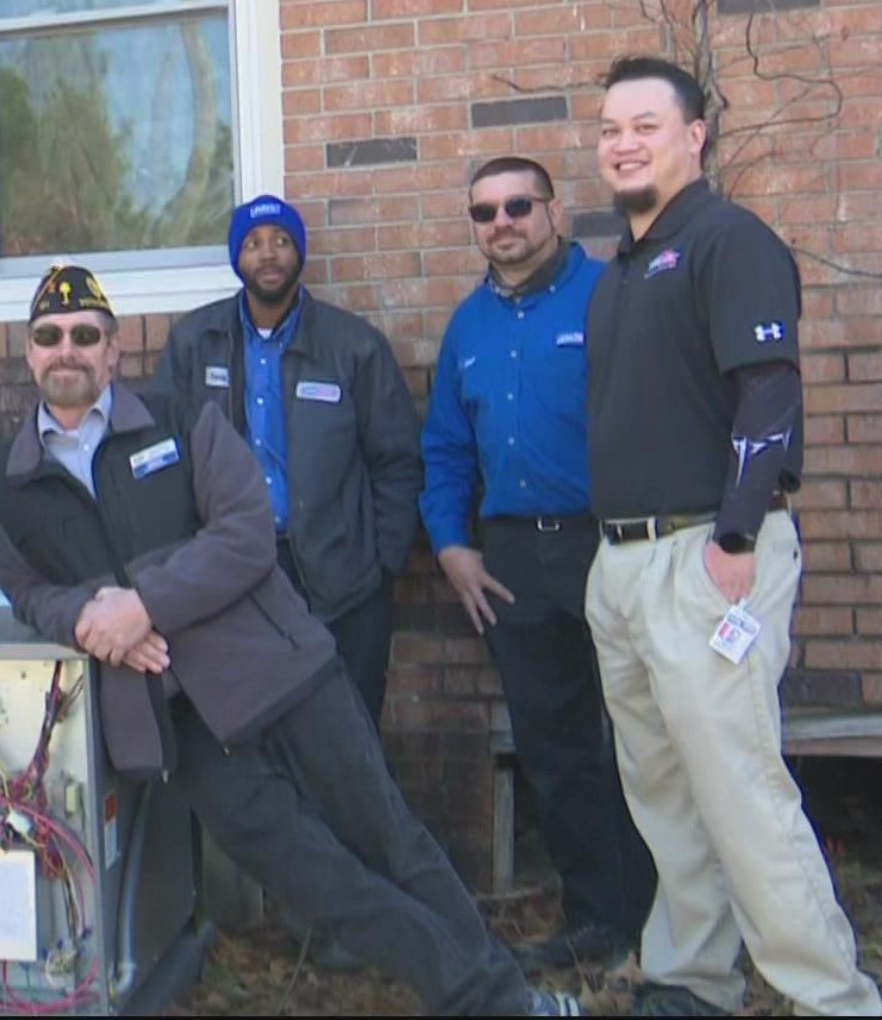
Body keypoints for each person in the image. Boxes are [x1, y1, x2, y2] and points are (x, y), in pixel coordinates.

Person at [0, 265, 579, 1017]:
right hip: (176, 725)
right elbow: (29, 593)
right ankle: (480, 996)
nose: (68, 350)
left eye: (85, 335)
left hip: (283, 675)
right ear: (29, 353)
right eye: (49, 337)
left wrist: (144, 605)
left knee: (391, 840)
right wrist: (95, 622)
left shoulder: (180, 418)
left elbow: (247, 535)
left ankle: (502, 1002)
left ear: (114, 350)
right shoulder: (0, 480)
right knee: (321, 881)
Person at [584, 55, 879, 1016]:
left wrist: (739, 536)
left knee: (742, 793)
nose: (624, 143)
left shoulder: (726, 239)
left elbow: (771, 391)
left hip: (709, 553)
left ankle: (831, 997)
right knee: (666, 795)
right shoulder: (623, 268)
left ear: (694, 135)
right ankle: (693, 978)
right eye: (610, 129)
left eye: (645, 125)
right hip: (624, 566)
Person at [420, 156, 656, 972]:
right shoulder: (467, 328)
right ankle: (597, 921)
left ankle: (670, 926)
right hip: (515, 556)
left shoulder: (610, 297)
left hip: (613, 543)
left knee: (647, 739)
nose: (503, 223)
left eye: (519, 205)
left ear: (555, 212)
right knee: (556, 749)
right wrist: (452, 545)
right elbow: (446, 448)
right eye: (484, 212)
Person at [151, 195, 421, 726]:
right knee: (254, 734)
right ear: (237, 258)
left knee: (350, 732)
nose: (268, 254)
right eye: (252, 243)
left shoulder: (354, 346)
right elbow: (164, 459)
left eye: (281, 241)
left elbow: (398, 462)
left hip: (340, 581)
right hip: (232, 574)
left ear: (300, 253)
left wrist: (380, 562)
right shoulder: (195, 343)